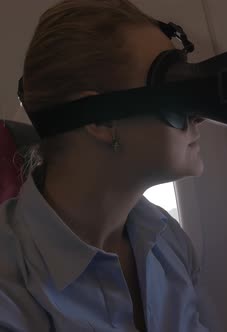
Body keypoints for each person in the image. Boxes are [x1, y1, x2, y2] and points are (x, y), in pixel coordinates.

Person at [0, 0, 212, 330]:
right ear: (100, 117)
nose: (198, 115)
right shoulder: (9, 289)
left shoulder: (166, 239)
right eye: (172, 88)